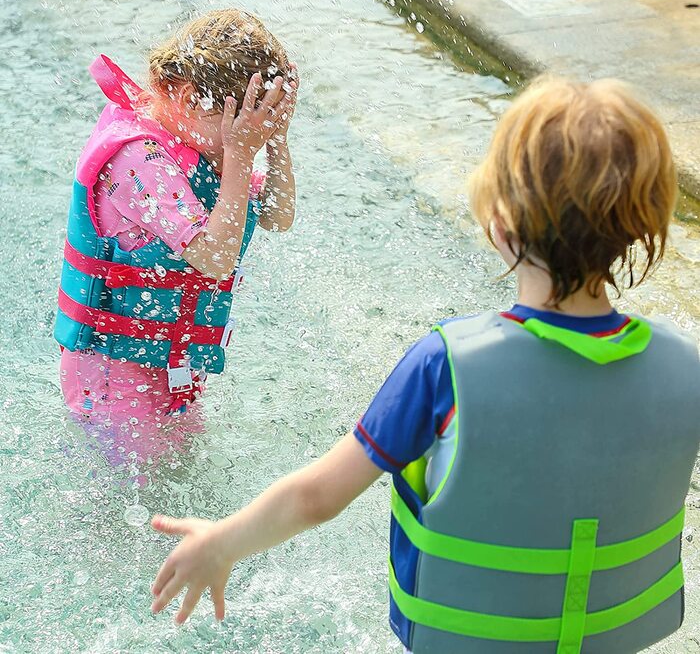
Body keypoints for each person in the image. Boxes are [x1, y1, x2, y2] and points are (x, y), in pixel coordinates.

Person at [149, 78, 700, 654]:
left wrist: (221, 543)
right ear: (644, 224)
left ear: (500, 227)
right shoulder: (682, 365)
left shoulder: (448, 368)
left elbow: (317, 498)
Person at [55, 9, 298, 425]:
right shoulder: (139, 159)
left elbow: (278, 216)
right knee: (136, 484)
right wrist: (240, 153)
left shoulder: (201, 145)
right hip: (114, 372)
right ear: (188, 98)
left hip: (170, 366)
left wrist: (276, 140)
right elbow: (216, 259)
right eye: (239, 125)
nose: (246, 137)